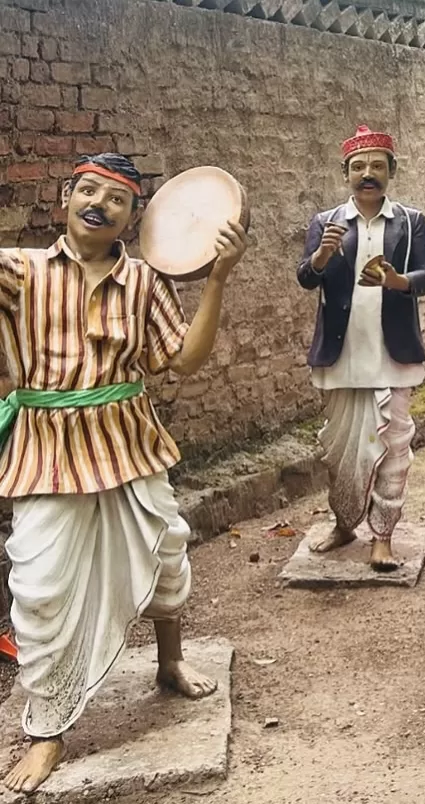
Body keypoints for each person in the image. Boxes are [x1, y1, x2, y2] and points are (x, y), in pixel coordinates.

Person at [0, 153, 248, 793]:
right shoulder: (18, 271)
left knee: (168, 552)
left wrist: (217, 278)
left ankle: (170, 663)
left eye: (115, 200)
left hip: (129, 440)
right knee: (39, 585)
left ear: (134, 218)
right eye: (87, 190)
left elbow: (184, 362)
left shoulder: (144, 283)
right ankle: (47, 730)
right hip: (47, 451)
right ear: (63, 199)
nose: (98, 204)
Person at [297, 125, 425, 569]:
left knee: (394, 446)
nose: (368, 174)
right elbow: (305, 277)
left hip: (392, 353)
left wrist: (396, 281)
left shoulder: (411, 222)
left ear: (391, 171)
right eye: (359, 167)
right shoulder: (325, 222)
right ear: (346, 174)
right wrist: (320, 257)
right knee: (340, 448)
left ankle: (383, 535)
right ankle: (344, 522)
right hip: (342, 354)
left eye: (377, 165)